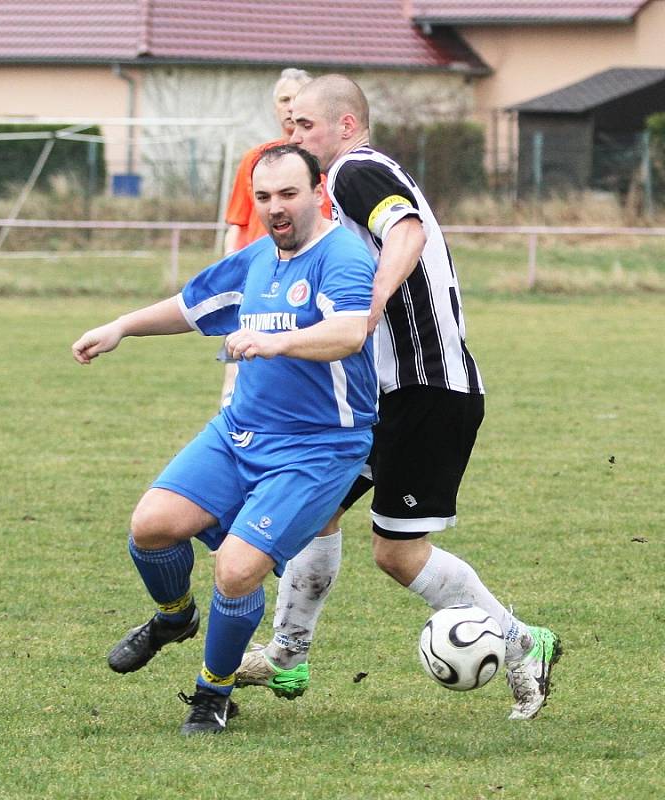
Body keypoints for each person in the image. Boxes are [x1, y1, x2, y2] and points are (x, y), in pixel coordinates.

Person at [235, 75, 562, 721]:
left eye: (304, 125)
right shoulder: (339, 190)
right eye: (289, 124)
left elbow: (405, 231)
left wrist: (372, 304)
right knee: (314, 509)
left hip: (427, 389)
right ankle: (287, 654)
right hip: (381, 394)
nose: (291, 135)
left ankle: (525, 643)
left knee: (396, 552)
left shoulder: (356, 169)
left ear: (346, 126)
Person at [71, 144, 378, 736]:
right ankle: (173, 617)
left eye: (288, 194)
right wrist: (121, 327)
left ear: (318, 193)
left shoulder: (342, 256)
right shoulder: (256, 258)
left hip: (318, 448)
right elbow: (190, 307)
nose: (275, 208)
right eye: (264, 197)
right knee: (151, 526)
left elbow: (347, 332)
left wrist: (278, 342)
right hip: (240, 433)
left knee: (236, 571)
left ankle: (212, 695)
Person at [218, 68, 332, 407]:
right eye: (284, 100)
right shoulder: (254, 160)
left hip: (302, 283)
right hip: (258, 280)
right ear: (274, 107)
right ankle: (232, 431)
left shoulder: (324, 166)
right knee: (238, 364)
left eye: (297, 101)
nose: (289, 109)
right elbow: (237, 226)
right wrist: (232, 277)